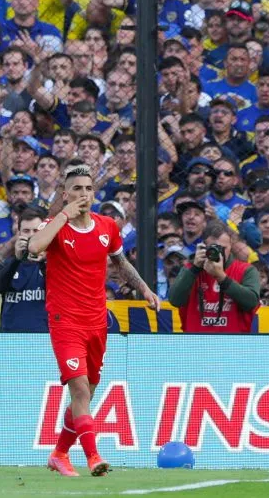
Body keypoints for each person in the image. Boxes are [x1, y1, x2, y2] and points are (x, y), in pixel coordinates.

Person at [27, 164, 160, 478]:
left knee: (86, 393)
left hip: (97, 322)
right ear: (65, 194)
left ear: (94, 192)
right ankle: (93, 457)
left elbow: (120, 262)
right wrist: (62, 215)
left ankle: (59, 454)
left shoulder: (106, 226)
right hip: (65, 321)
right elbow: (34, 247)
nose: (83, 194)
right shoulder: (56, 225)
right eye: (76, 189)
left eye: (88, 189)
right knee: (81, 393)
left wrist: (144, 288)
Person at [168, 220, 261, 333]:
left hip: (234, 343)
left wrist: (222, 278)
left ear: (231, 245)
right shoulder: (190, 269)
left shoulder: (246, 270)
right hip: (195, 341)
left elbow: (251, 303)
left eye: (223, 248)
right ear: (203, 247)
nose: (219, 252)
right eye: (214, 248)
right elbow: (175, 300)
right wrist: (194, 268)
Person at [0, 207, 49, 332]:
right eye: (26, 231)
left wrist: (43, 261)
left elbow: (58, 288)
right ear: (19, 233)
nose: (31, 235)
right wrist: (17, 259)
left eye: (36, 230)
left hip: (44, 337)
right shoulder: (7, 263)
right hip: (11, 337)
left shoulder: (53, 265)